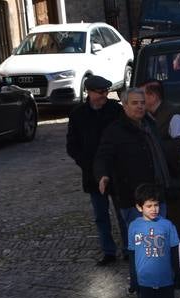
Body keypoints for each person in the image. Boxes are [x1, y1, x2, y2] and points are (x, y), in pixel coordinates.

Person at [93, 87, 175, 295]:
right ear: (125, 106)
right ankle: (142, 290)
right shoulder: (115, 130)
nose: (139, 106)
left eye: (142, 102)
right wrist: (103, 175)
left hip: (156, 193)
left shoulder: (150, 124)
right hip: (133, 198)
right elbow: (102, 156)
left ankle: (155, 285)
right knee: (141, 247)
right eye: (134, 103)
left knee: (157, 243)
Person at [66, 74, 124, 265]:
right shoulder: (78, 114)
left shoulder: (115, 110)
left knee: (123, 213)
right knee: (101, 215)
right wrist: (85, 162)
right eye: (100, 92)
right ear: (89, 92)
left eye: (106, 91)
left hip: (116, 170)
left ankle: (129, 249)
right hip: (92, 173)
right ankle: (108, 251)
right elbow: (72, 145)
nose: (104, 95)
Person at [143, 80, 180, 237]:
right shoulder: (147, 116)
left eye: (142, 95)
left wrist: (164, 155)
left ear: (152, 96)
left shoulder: (172, 115)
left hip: (175, 173)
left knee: (178, 214)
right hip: (160, 175)